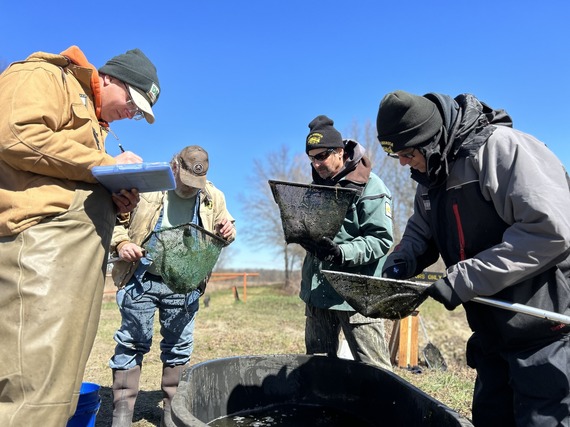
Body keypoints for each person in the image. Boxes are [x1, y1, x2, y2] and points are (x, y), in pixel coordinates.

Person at [376, 90, 570, 427]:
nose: (404, 163)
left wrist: (462, 280)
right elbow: (422, 230)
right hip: (491, 330)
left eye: (407, 153)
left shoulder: (503, 150)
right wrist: (402, 261)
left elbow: (550, 231)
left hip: (545, 325)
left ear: (430, 139)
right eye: (396, 156)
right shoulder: (430, 175)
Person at [0, 46, 160, 426]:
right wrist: (107, 165)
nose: (132, 113)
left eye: (139, 110)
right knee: (35, 383)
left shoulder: (95, 124)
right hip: (42, 248)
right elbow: (13, 133)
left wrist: (117, 199)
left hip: (76, 256)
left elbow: (63, 172)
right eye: (132, 101)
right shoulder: (43, 76)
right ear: (109, 77)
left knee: (59, 383)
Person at [109, 145, 236, 427]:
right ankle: (121, 413)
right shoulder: (147, 187)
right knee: (131, 342)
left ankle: (171, 411)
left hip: (185, 283)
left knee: (178, 347)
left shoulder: (213, 196)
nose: (191, 189)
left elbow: (226, 225)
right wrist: (123, 242)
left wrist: (228, 231)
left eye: (197, 183)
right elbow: (114, 218)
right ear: (175, 166)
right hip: (141, 278)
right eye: (187, 181)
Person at [298, 115, 394, 371]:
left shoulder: (370, 186)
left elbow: (381, 239)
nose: (316, 163)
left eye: (322, 156)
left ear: (340, 151)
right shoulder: (313, 189)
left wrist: (342, 253)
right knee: (317, 370)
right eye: (312, 157)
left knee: (377, 373)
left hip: (357, 294)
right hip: (318, 294)